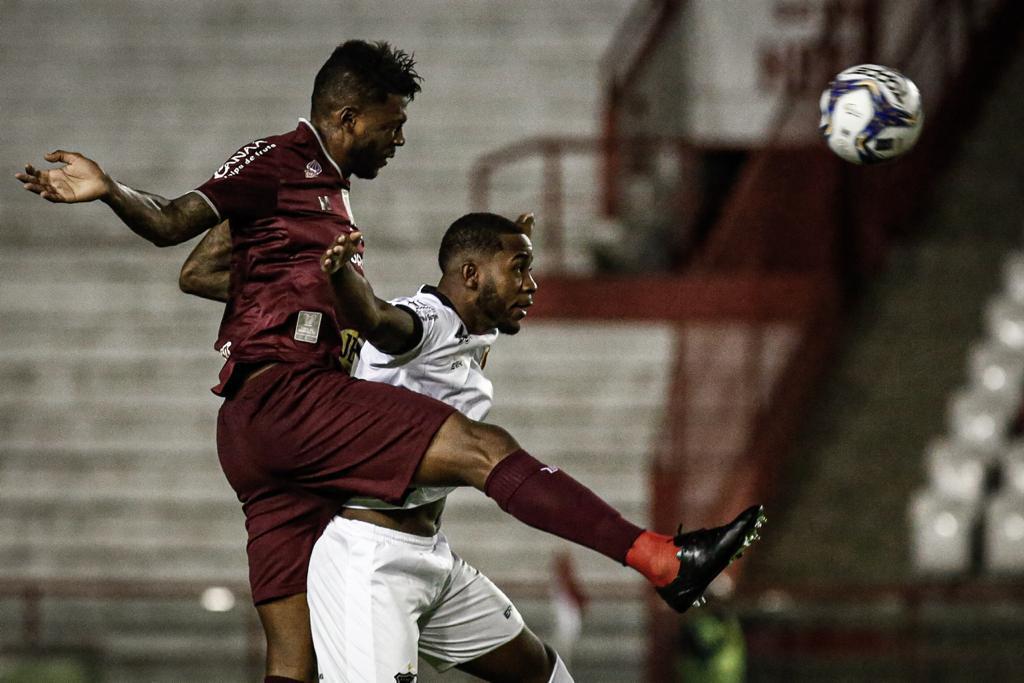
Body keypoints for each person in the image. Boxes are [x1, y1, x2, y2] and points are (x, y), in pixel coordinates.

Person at [16, 39, 765, 683]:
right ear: (347, 117)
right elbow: (175, 227)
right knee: (482, 449)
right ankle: (661, 557)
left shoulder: (322, 199)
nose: (398, 139)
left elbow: (207, 273)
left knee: (290, 660)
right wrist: (111, 190)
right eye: (391, 123)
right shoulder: (285, 161)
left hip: (256, 439)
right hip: (289, 401)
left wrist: (305, 284)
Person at [305, 211, 569, 681]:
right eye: (519, 267)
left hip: (430, 555)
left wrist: (505, 236)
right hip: (371, 558)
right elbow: (379, 319)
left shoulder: (469, 330)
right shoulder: (428, 318)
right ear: (471, 274)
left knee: (542, 672)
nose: (531, 283)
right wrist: (342, 275)